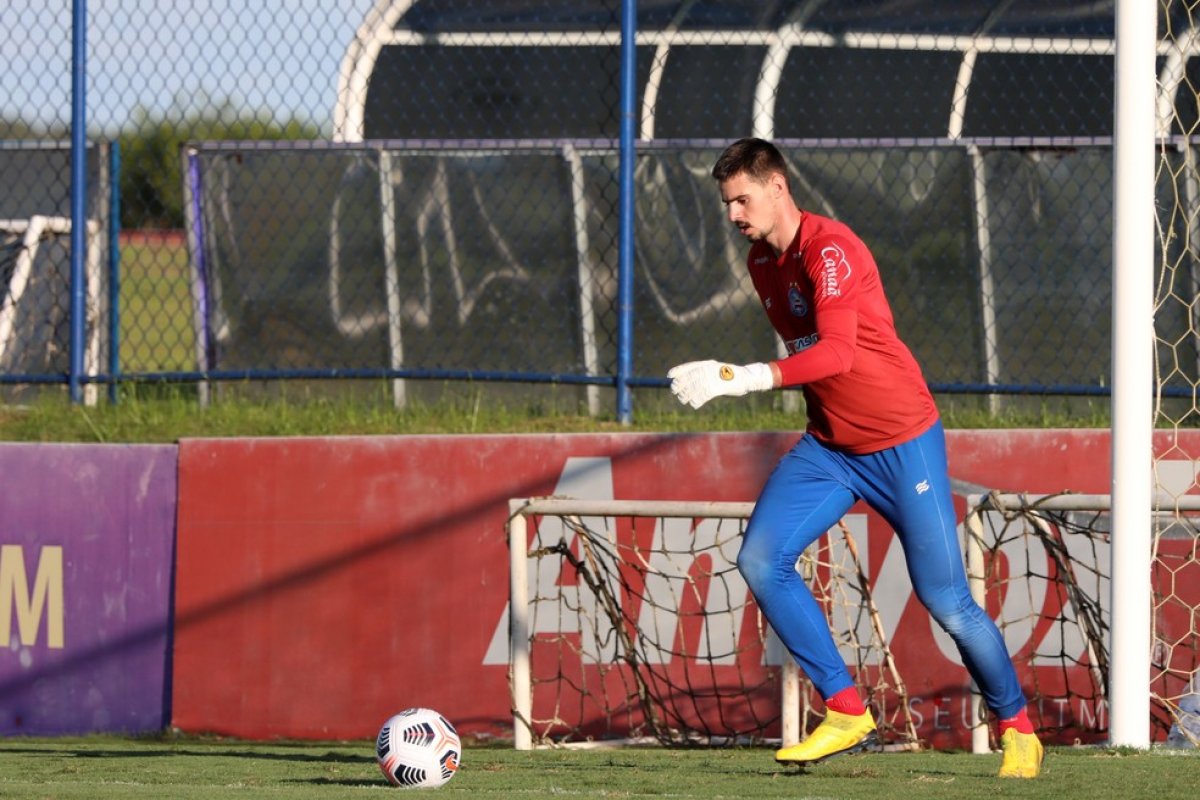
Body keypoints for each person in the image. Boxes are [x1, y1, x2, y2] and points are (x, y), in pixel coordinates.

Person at [667, 138, 1043, 779]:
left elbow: (838, 353)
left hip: (903, 444)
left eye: (741, 199)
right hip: (831, 448)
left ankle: (1017, 729)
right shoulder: (763, 263)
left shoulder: (831, 249)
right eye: (726, 202)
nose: (732, 214)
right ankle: (845, 710)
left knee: (946, 601)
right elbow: (817, 363)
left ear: (777, 187)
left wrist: (743, 376)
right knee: (761, 558)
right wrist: (759, 381)